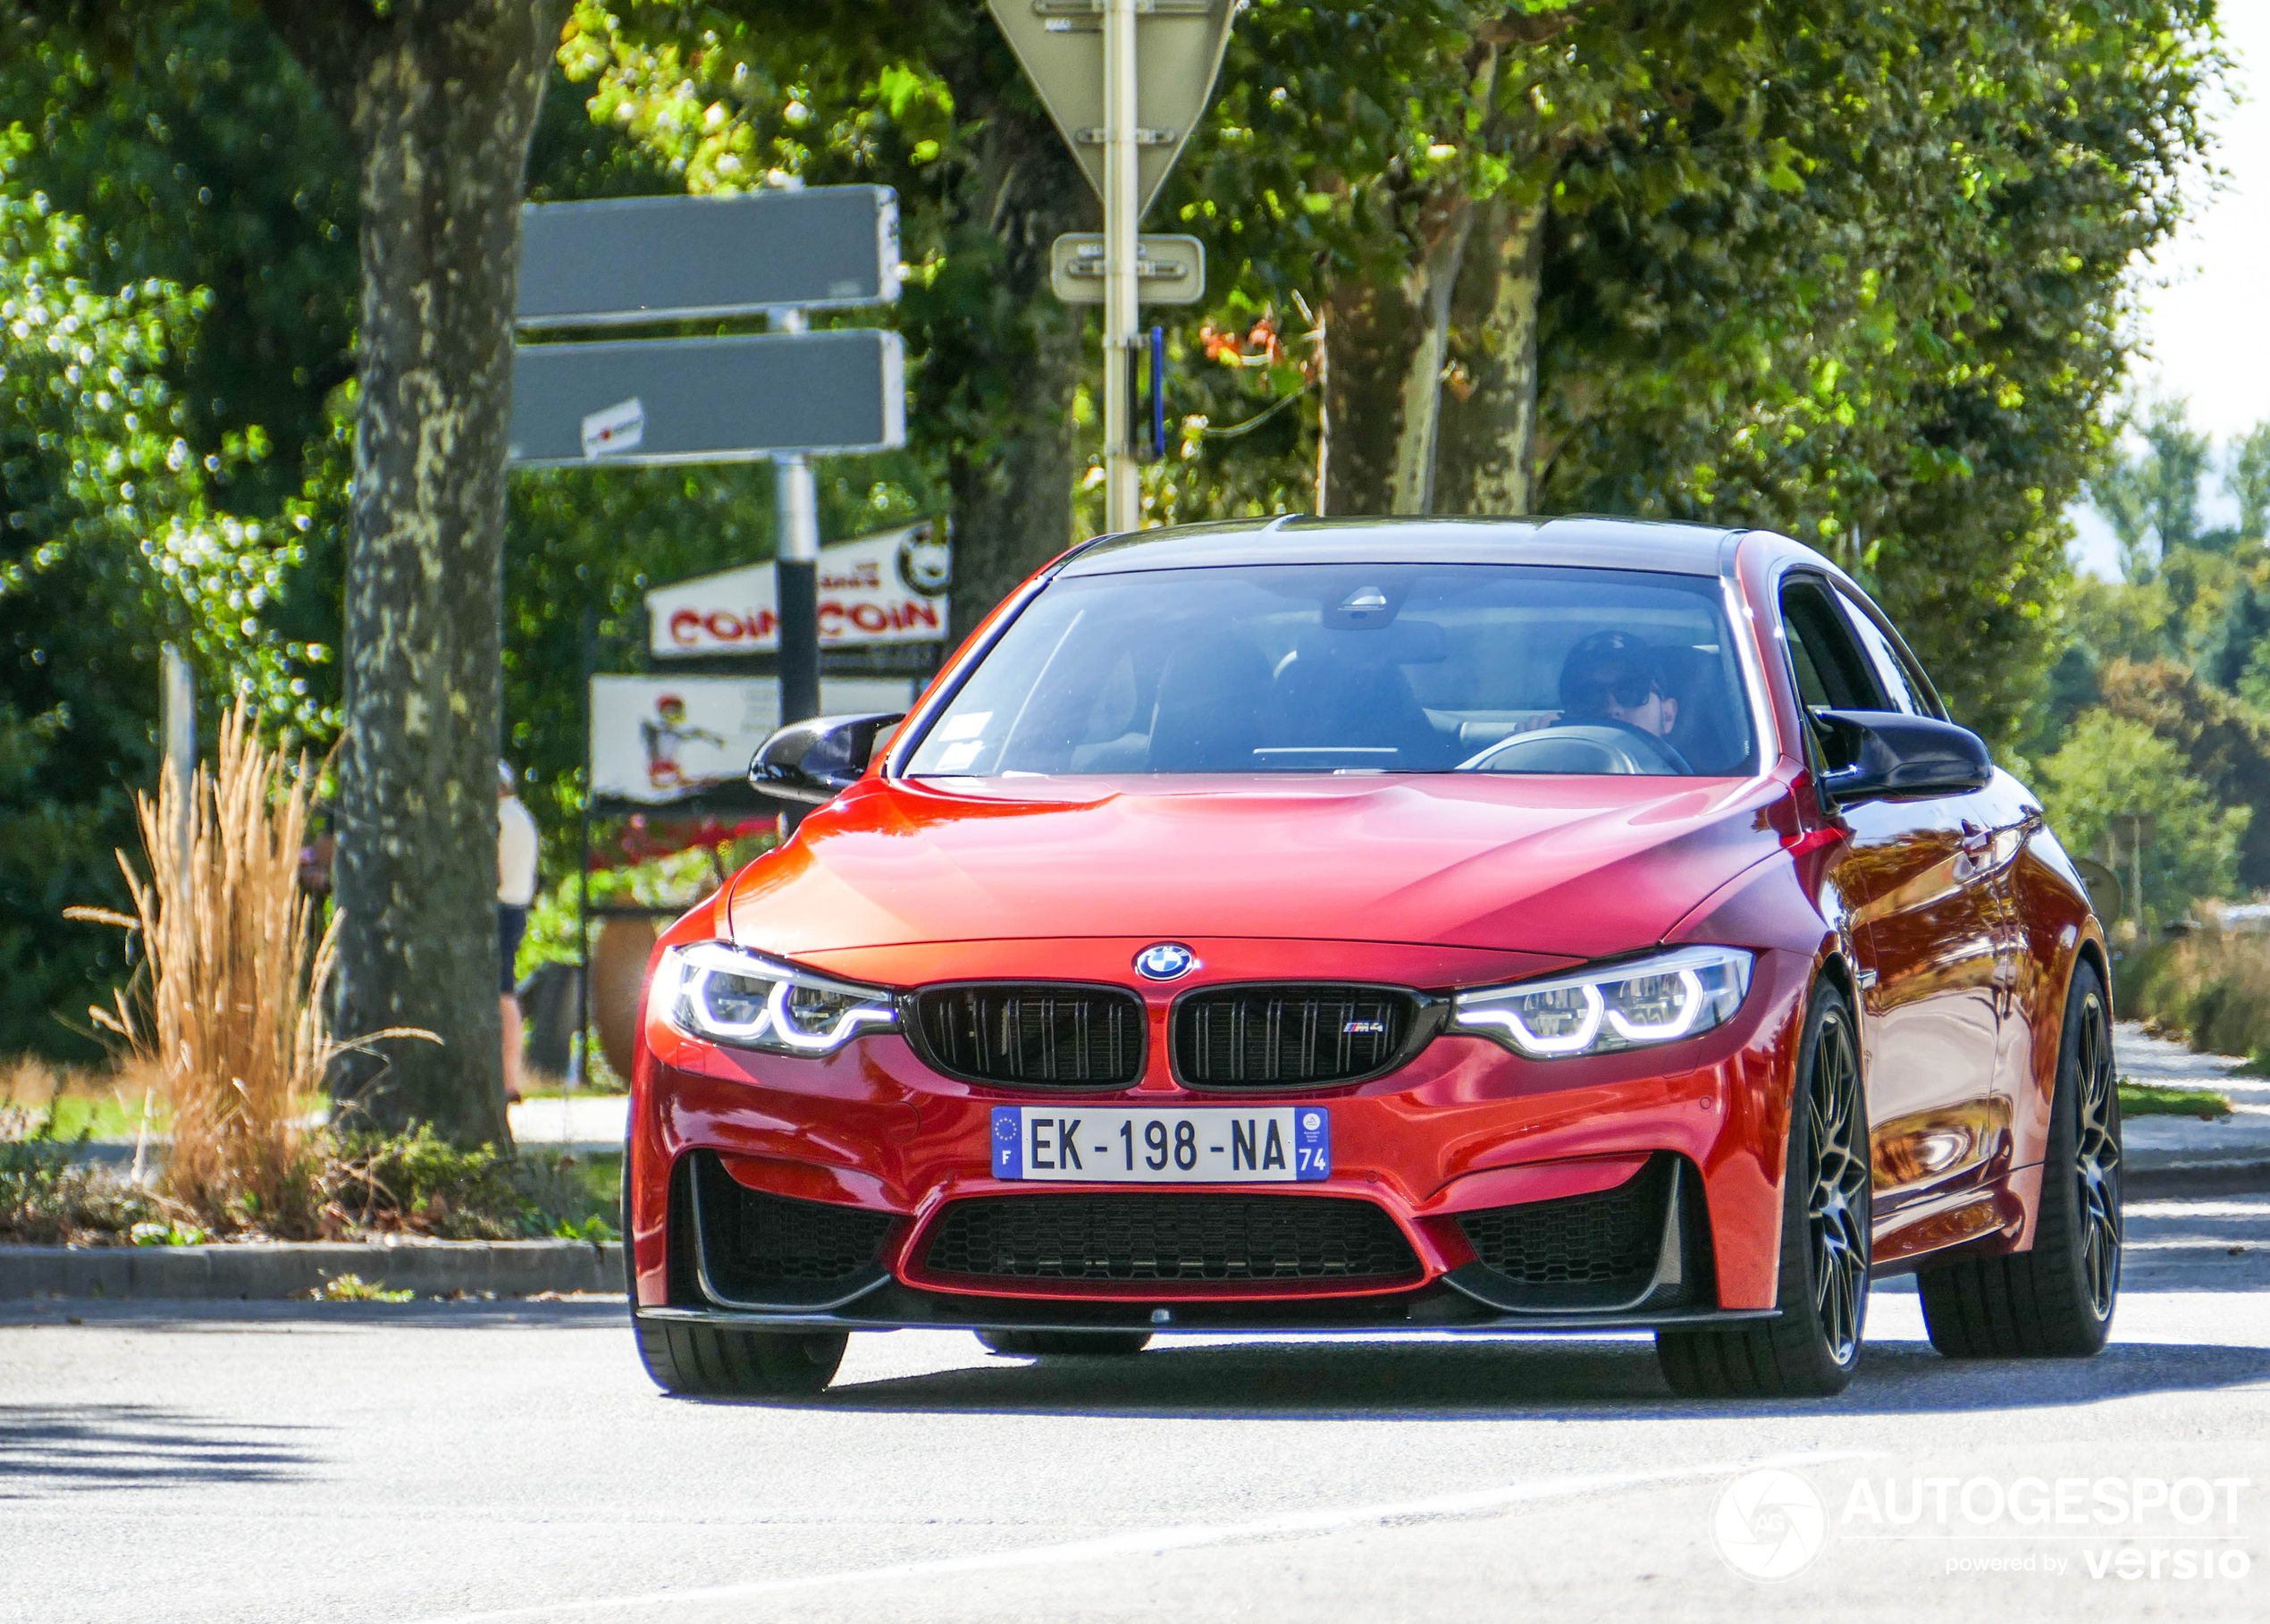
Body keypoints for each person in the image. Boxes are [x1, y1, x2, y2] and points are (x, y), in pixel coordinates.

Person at [1517, 629, 1694, 771]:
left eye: (1631, 691)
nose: (1611, 707)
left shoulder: (1706, 791)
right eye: (1589, 694)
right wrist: (1527, 757)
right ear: (1568, 716)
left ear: (1668, 715)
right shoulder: (1548, 768)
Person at [498, 761, 540, 1104]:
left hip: (500, 909)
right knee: (504, 993)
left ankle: (509, 1079)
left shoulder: (499, 819)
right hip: (516, 908)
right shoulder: (521, 816)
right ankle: (509, 1077)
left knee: (502, 995)